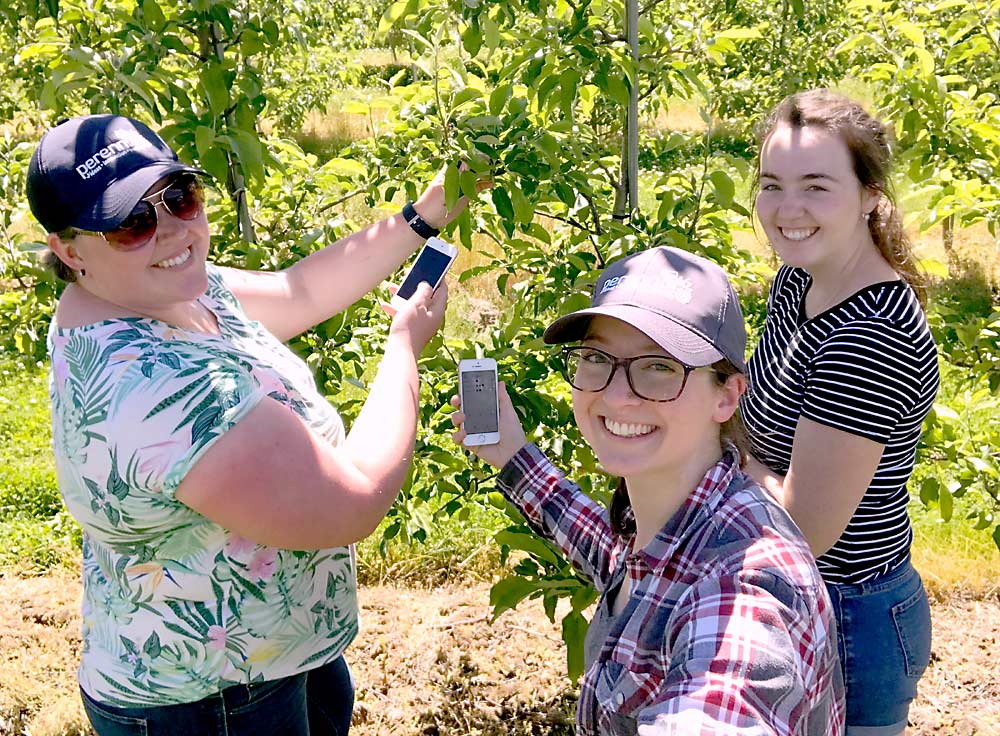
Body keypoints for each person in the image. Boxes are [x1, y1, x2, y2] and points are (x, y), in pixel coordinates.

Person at [27, 114, 473, 735]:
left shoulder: (154, 292)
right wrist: (403, 349)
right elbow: (354, 500)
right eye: (131, 223)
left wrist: (424, 215)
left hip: (267, 657)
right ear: (68, 249)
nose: (172, 230)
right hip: (211, 704)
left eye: (178, 197)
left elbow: (297, 292)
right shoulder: (166, 395)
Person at [451, 246, 845, 734]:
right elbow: (616, 557)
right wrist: (512, 455)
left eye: (659, 367)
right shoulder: (680, 515)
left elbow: (724, 700)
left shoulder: (747, 584)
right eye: (597, 357)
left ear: (727, 394)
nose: (616, 395)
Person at [741, 89, 939, 735]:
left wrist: (720, 455)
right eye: (772, 184)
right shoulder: (799, 276)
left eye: (816, 186)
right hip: (793, 594)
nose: (786, 209)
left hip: (850, 618)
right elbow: (749, 409)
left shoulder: (870, 335)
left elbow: (806, 528)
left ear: (870, 195)